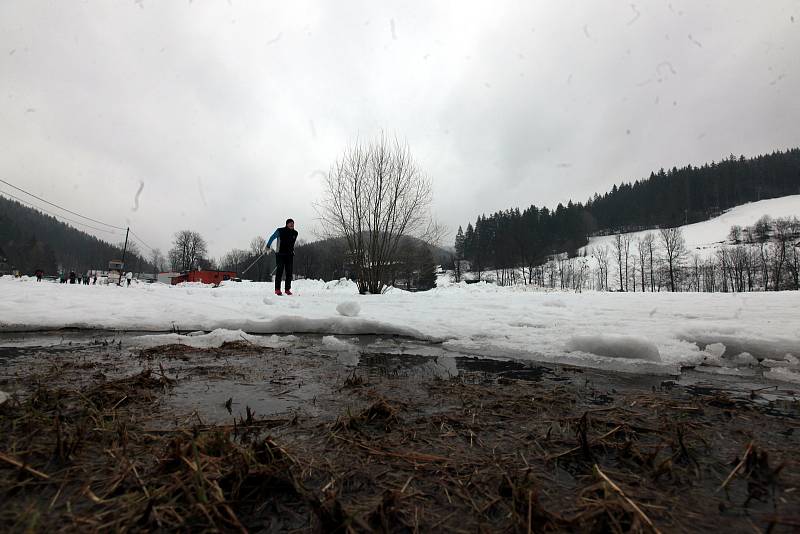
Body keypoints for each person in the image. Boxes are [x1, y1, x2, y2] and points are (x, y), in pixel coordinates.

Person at [266, 218, 298, 296]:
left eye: (293, 223)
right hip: (280, 254)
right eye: (290, 223)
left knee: (289, 272)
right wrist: (268, 246)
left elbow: (291, 244)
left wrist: (291, 250)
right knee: (279, 271)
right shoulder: (280, 231)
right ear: (286, 224)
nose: (292, 224)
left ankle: (287, 289)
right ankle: (277, 289)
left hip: (289, 255)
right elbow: (272, 237)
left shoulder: (295, 233)